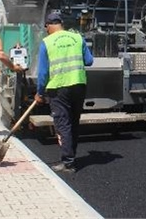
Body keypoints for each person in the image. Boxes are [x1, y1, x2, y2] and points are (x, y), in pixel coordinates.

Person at [34, 12, 94, 173]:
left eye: (46, 27)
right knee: (73, 122)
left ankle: (68, 163)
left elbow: (43, 73)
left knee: (63, 124)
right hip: (79, 85)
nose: (46, 30)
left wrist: (39, 92)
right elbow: (89, 61)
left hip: (59, 88)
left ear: (48, 25)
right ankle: (71, 156)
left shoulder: (47, 42)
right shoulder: (77, 38)